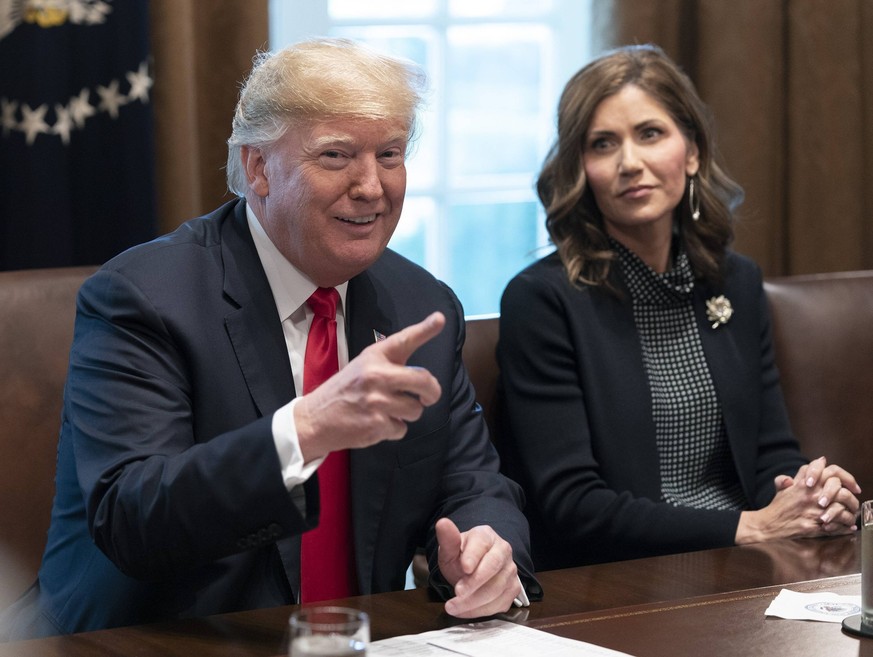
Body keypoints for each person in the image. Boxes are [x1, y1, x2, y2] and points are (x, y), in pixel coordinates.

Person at [0, 37, 541, 639]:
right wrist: (306, 430)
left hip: (356, 641)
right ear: (258, 167)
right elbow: (132, 518)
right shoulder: (143, 298)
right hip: (146, 641)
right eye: (337, 156)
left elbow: (473, 481)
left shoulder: (422, 304)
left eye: (390, 154)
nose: (372, 186)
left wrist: (487, 547)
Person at [496, 44, 861, 571]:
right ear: (581, 168)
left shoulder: (734, 280)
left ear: (690, 151)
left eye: (650, 134)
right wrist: (751, 526)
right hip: (619, 581)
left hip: (746, 561)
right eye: (603, 144)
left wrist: (809, 495)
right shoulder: (543, 299)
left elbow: (770, 452)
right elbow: (573, 506)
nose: (630, 163)